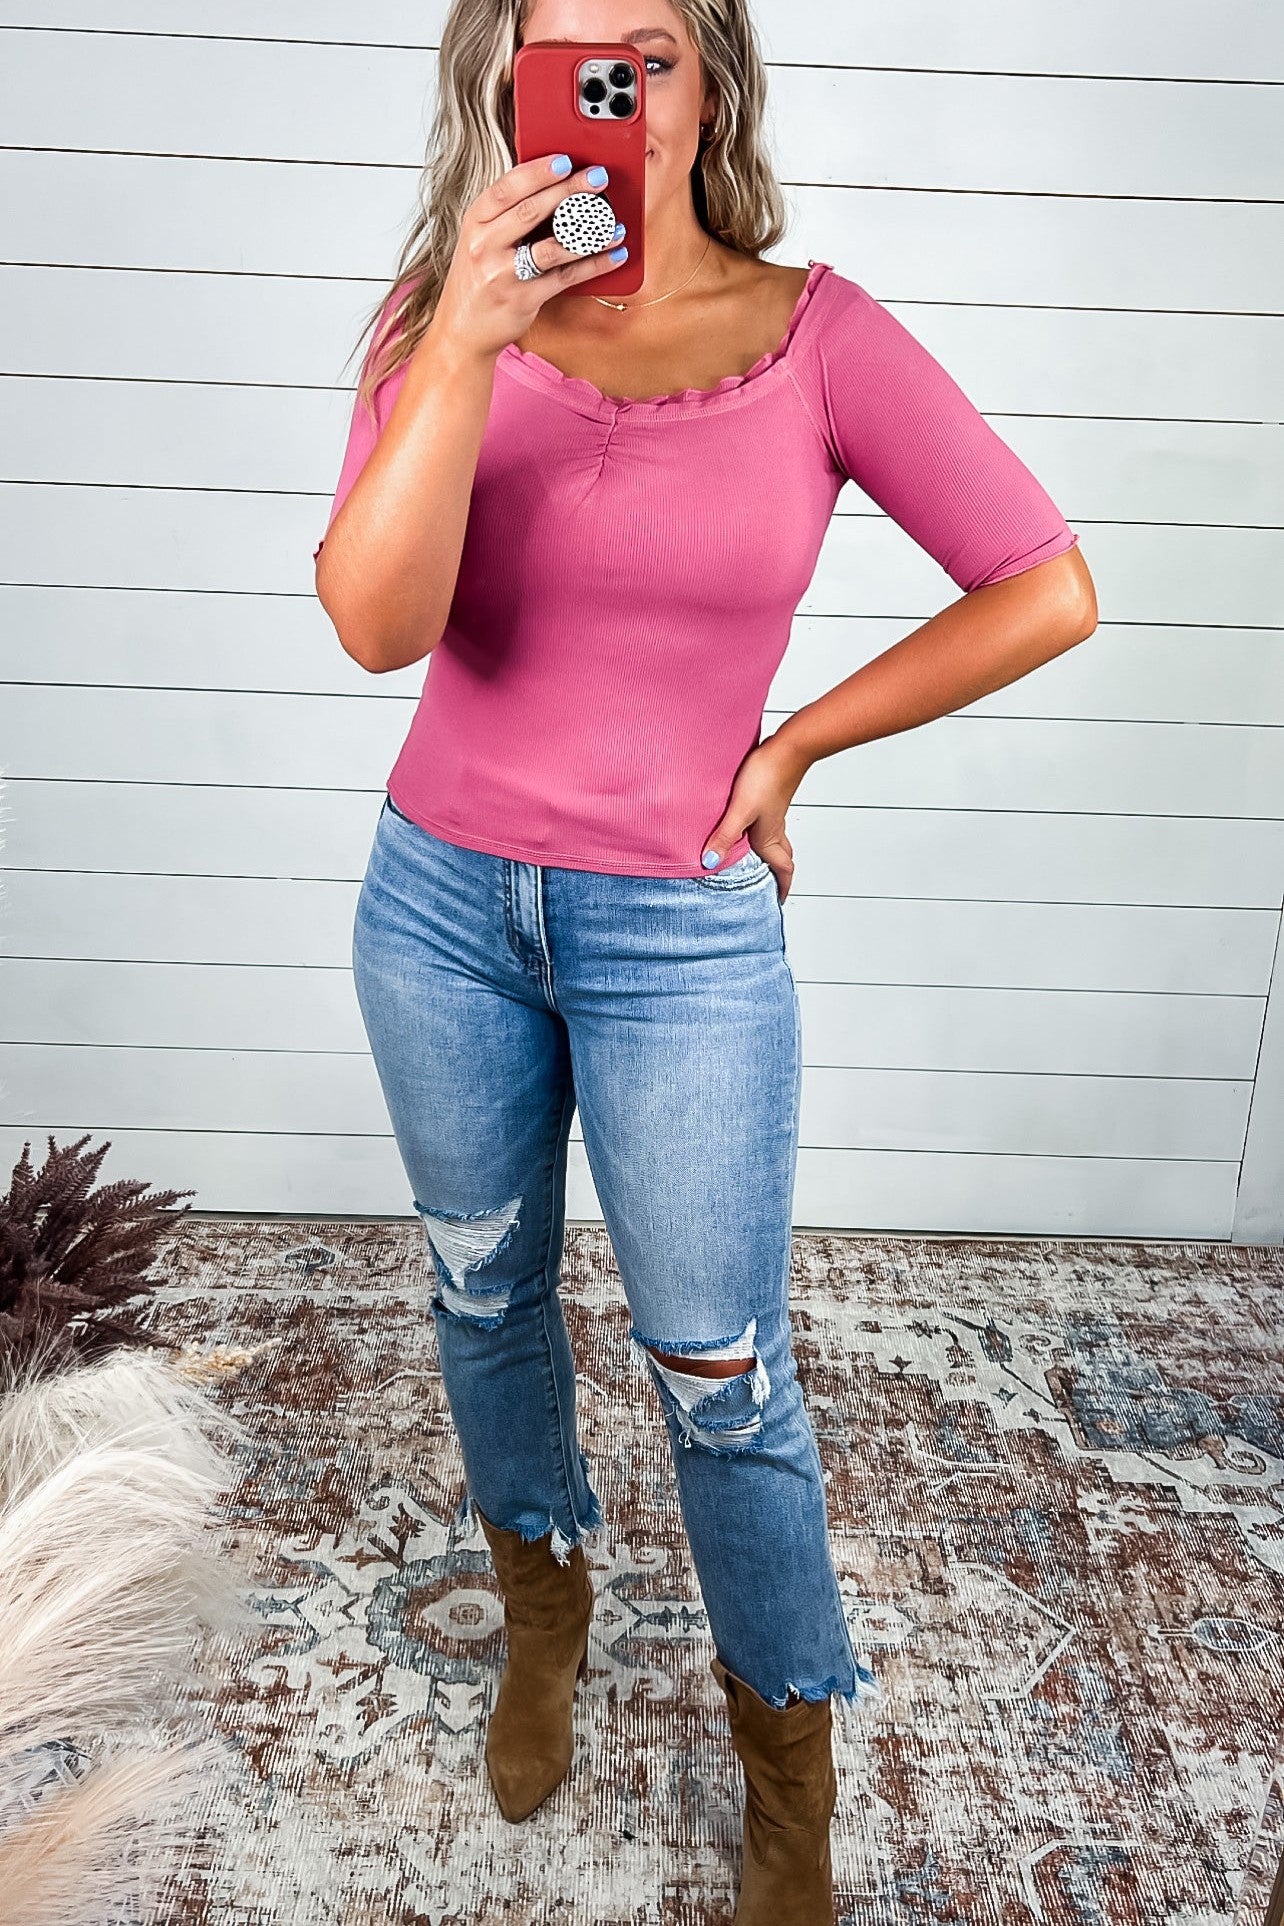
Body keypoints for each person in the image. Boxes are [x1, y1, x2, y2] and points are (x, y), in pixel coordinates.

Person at [313, 2, 1097, 1917]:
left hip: (680, 928)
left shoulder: (814, 334)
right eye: (567, 59)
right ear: (504, 85)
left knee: (722, 1371)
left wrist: (796, 745)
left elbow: (1046, 584)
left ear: (710, 78)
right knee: (483, 1292)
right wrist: (468, 342)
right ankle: (544, 1608)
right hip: (440, 905)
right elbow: (377, 627)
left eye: (649, 55)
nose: (615, 98)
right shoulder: (440, 318)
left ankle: (786, 1777)